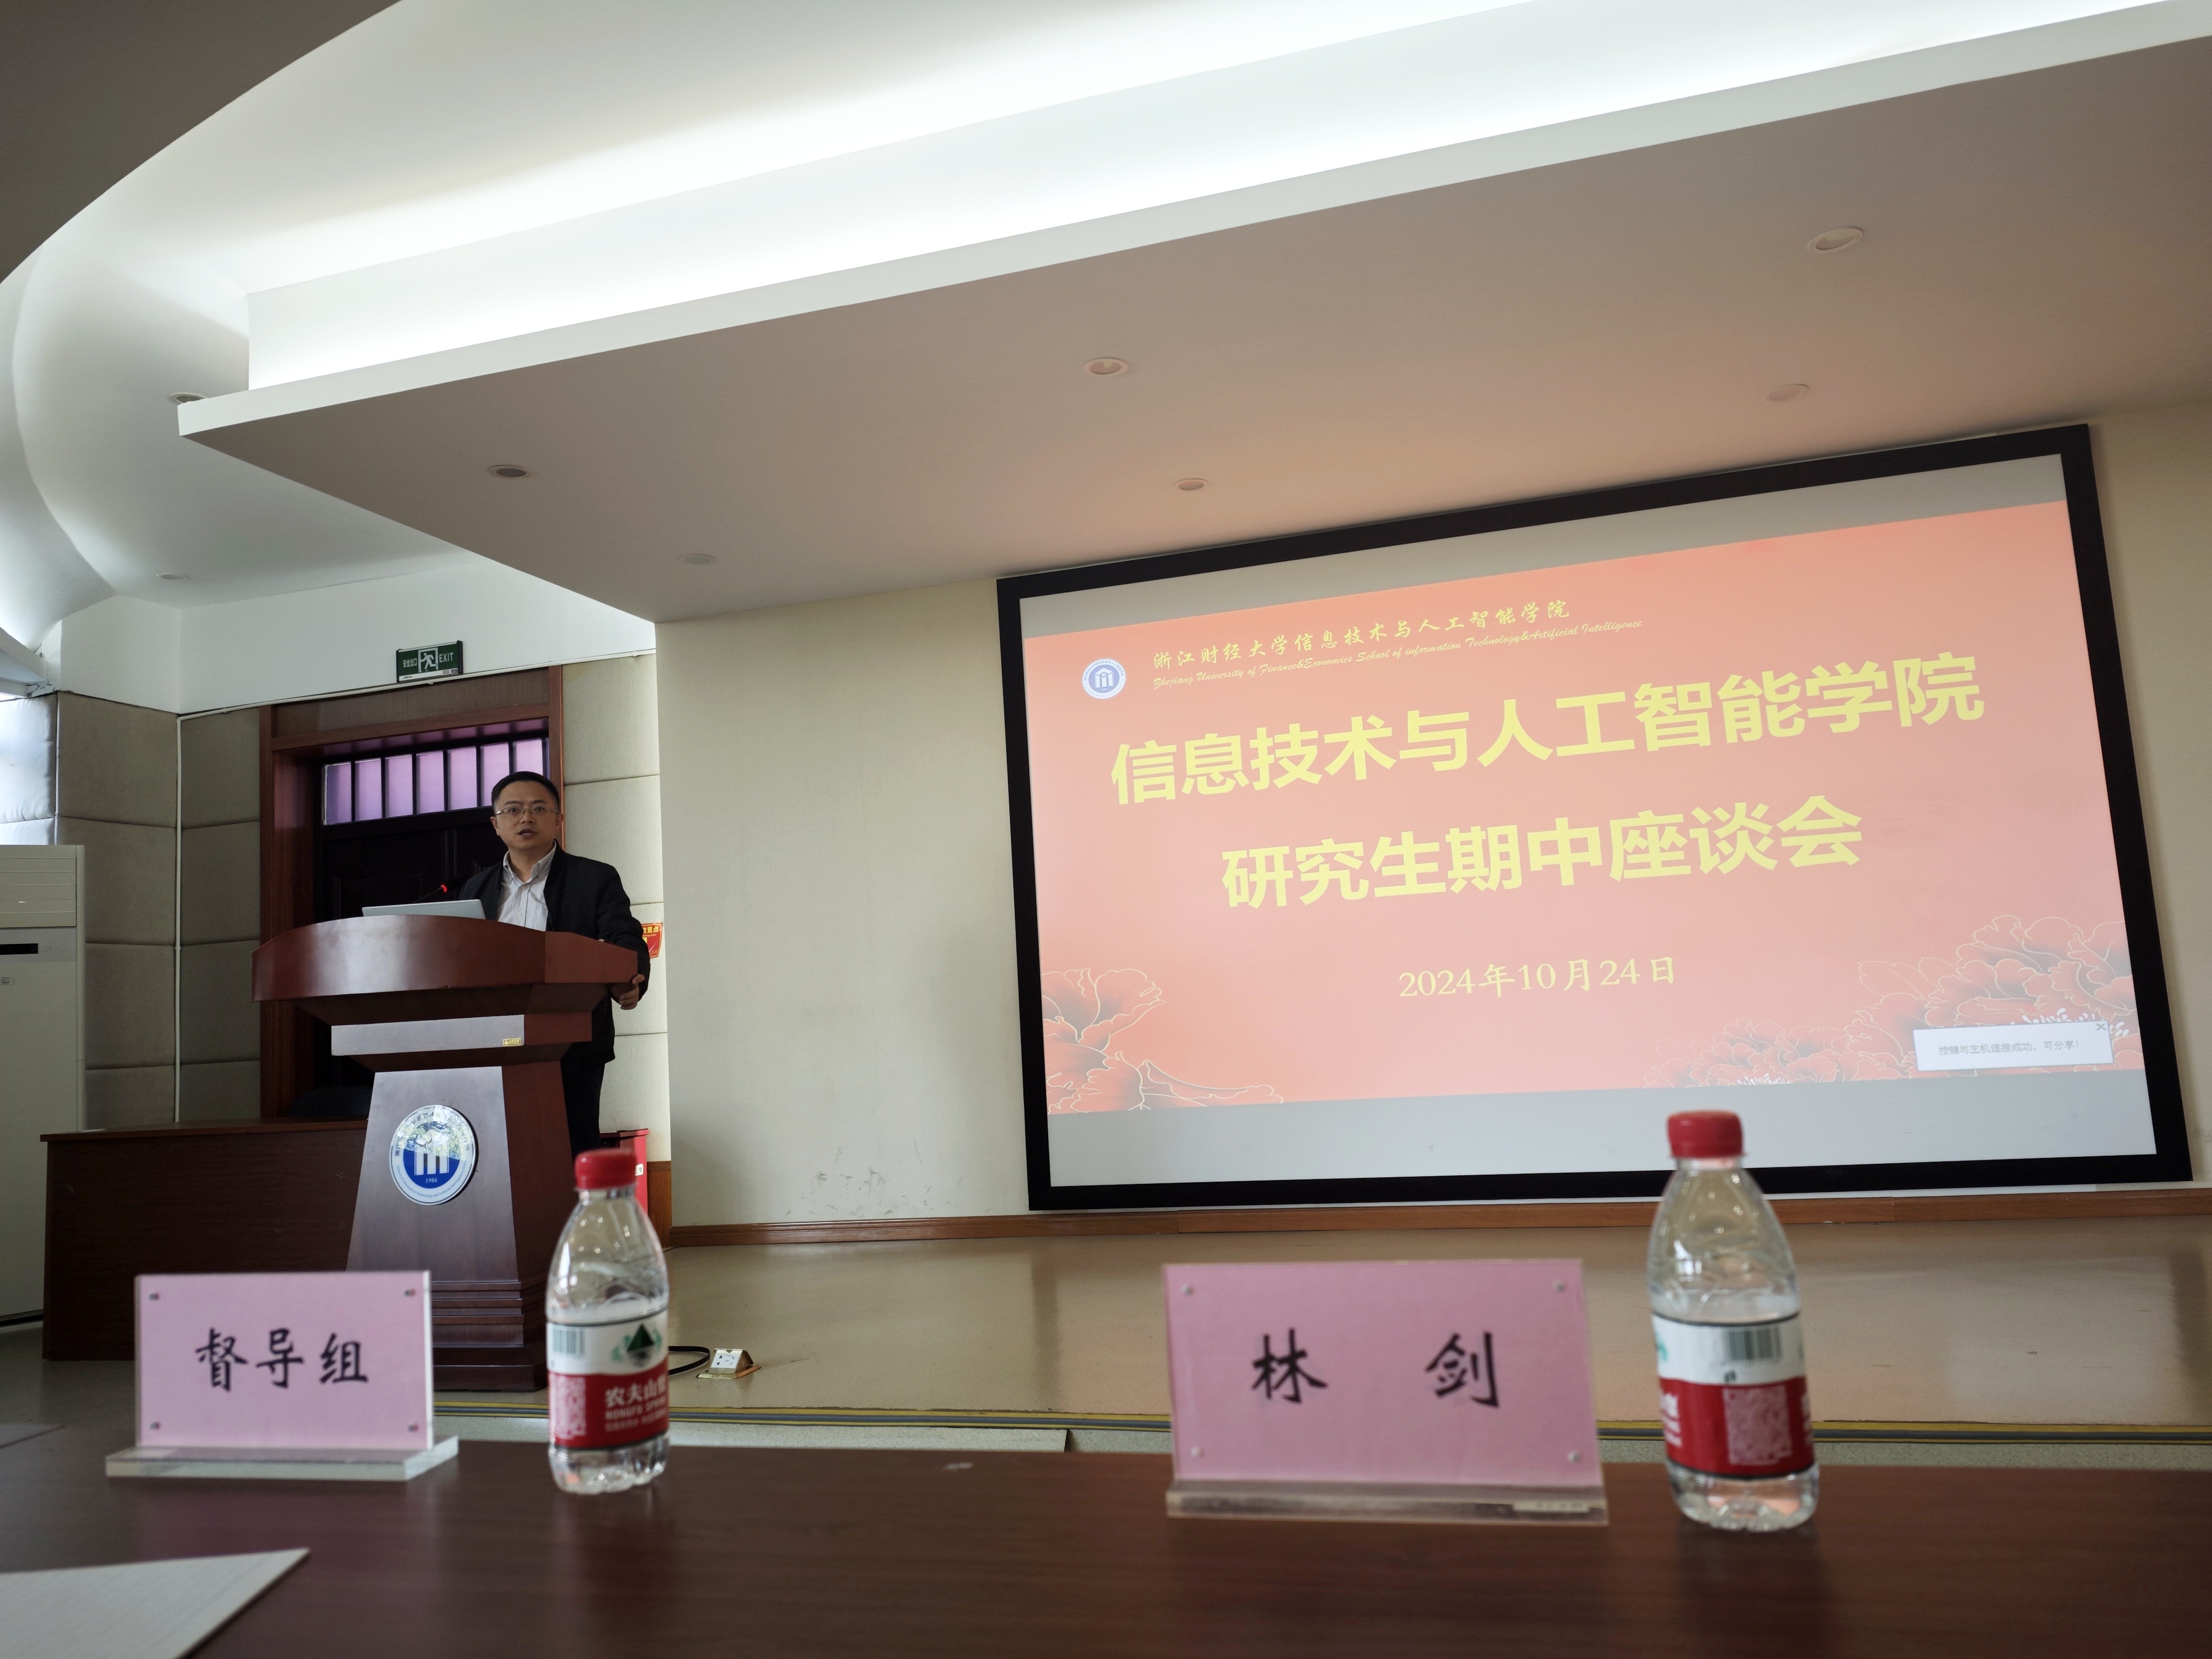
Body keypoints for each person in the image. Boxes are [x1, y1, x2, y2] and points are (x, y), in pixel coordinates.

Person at [458, 771, 649, 1157]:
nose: (526, 818)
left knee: (570, 1147)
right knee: (500, 1151)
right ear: (496, 824)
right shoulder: (476, 888)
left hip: (572, 1037)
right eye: (513, 810)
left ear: (558, 819)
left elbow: (624, 935)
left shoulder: (594, 877)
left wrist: (632, 979)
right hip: (494, 1039)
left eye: (538, 809)